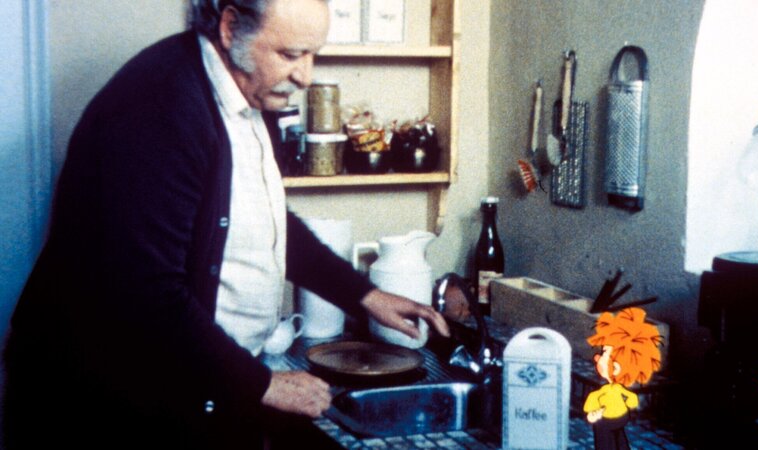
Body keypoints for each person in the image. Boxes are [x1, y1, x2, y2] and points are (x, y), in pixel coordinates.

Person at [1, 0, 449, 449]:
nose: (305, 76)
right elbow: (144, 290)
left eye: (313, 54)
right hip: (99, 403)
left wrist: (365, 296)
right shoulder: (160, 104)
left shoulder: (242, 93)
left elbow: (264, 223)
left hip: (189, 381)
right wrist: (260, 383)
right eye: (290, 55)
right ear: (232, 27)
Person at [583, 307, 662, 450]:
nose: (598, 357)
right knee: (619, 437)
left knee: (604, 441)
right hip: (621, 418)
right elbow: (632, 400)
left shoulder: (602, 392)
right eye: (603, 352)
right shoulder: (617, 389)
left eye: (605, 353)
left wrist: (593, 411)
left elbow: (591, 405)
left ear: (616, 367)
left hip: (607, 420)